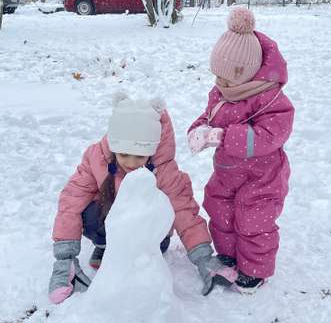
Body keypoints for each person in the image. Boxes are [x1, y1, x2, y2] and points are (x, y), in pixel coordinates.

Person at [48, 93, 234, 304]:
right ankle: (107, 248)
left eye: (140, 155)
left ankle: (136, 258)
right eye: (124, 154)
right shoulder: (96, 160)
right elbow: (71, 201)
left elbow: (184, 212)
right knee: (85, 207)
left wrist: (204, 258)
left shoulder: (165, 172)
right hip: (107, 229)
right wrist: (64, 259)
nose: (131, 162)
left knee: (169, 211)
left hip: (151, 240)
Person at [187, 7, 295, 294]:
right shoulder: (222, 93)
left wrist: (224, 137)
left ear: (246, 75)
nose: (219, 84)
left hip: (262, 177)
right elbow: (208, 117)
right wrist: (198, 130)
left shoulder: (270, 99)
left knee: (253, 220)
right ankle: (229, 254)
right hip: (227, 172)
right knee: (219, 208)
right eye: (216, 77)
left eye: (226, 79)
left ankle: (254, 270)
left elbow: (270, 135)